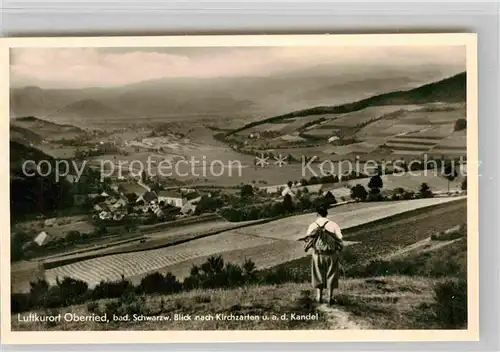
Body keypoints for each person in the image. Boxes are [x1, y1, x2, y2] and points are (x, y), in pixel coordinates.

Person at [299, 204, 343, 305]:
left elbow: (308, 239)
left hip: (318, 254)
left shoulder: (313, 225)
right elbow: (339, 238)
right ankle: (330, 297)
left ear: (317, 214)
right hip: (331, 254)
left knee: (318, 274)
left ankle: (319, 297)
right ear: (326, 213)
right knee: (331, 275)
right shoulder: (333, 224)